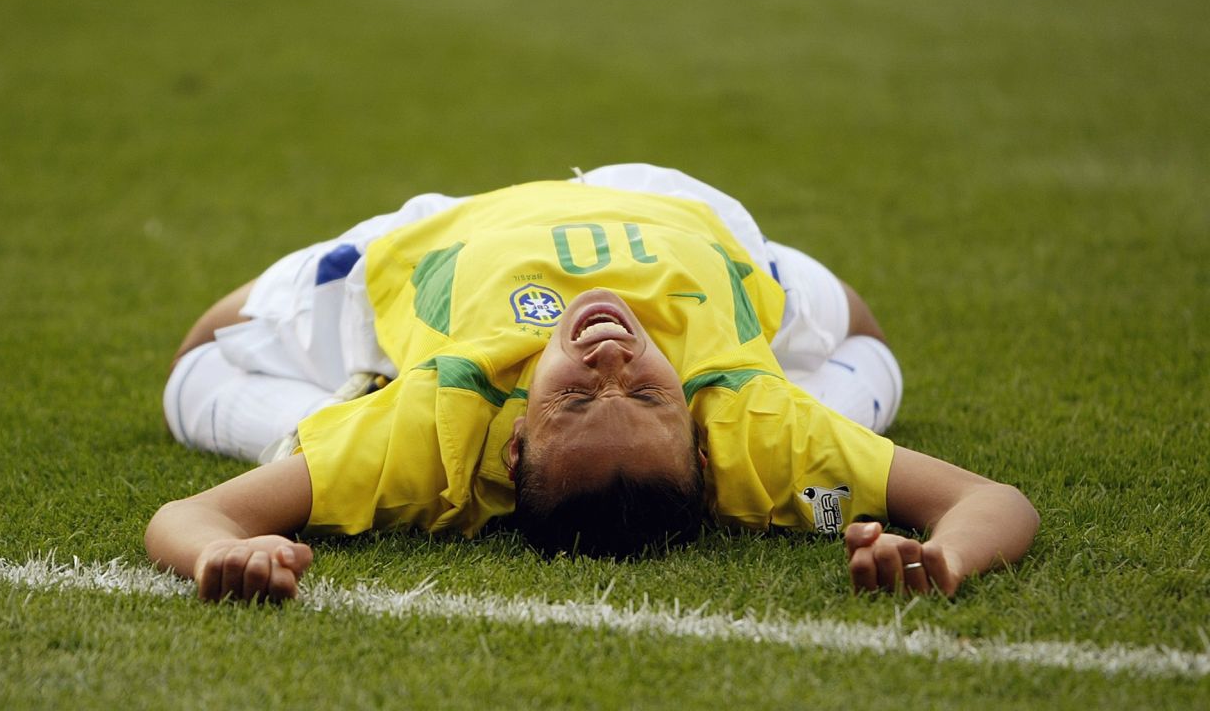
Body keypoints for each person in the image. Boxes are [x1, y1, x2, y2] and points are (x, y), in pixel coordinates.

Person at [145, 164, 1039, 602]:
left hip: (439, 236)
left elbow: (189, 519)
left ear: (516, 437)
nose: (612, 360)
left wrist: (222, 554)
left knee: (195, 363)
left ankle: (327, 418)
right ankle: (800, 475)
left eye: (576, 397)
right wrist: (948, 557)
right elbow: (993, 500)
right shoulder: (745, 416)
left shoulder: (440, 422)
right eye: (645, 393)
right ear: (698, 429)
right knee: (863, 343)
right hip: (694, 218)